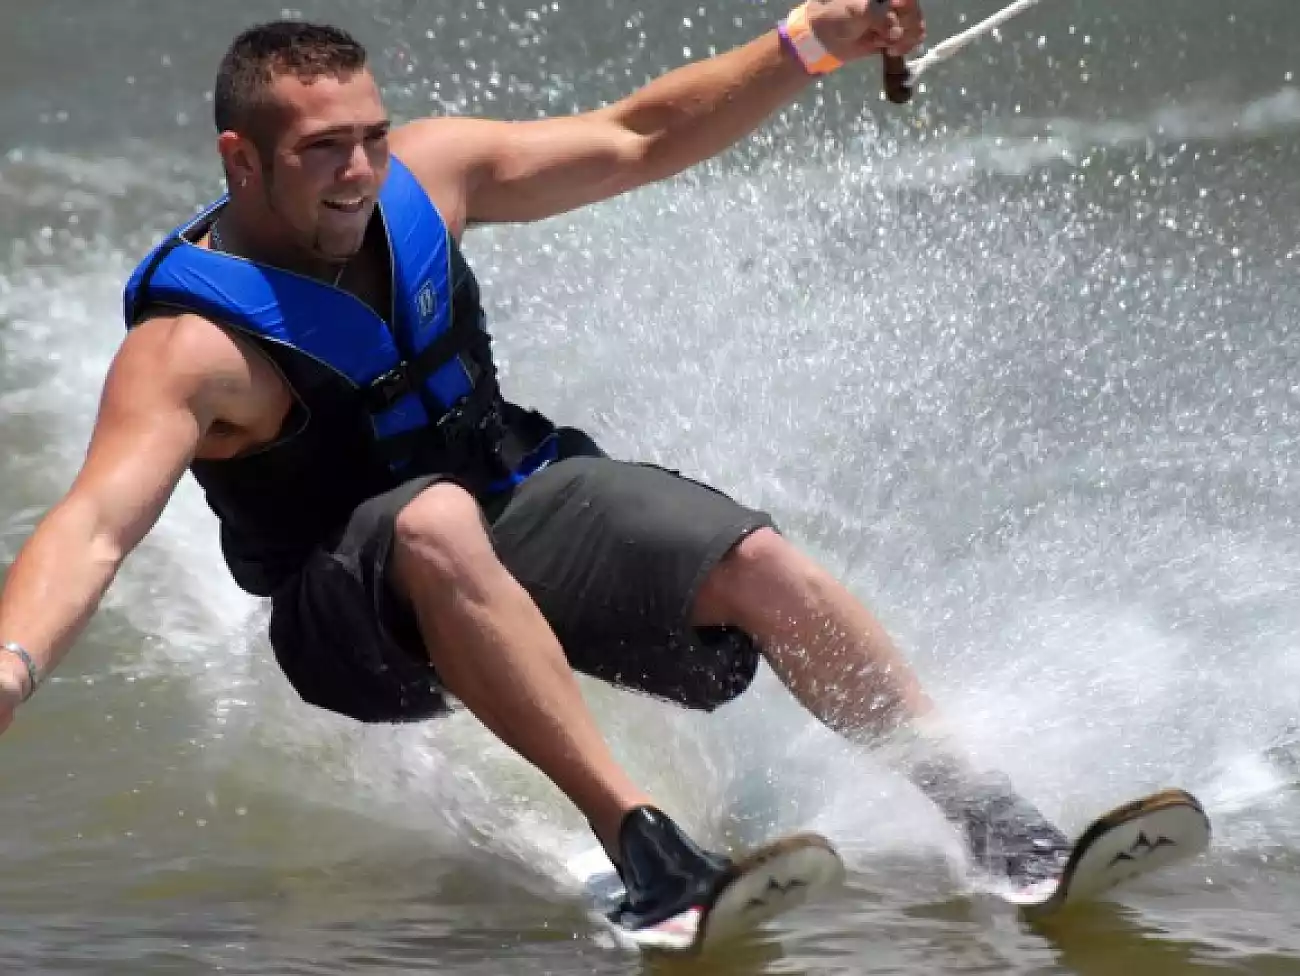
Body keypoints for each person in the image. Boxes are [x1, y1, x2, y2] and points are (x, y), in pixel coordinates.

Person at [0, 3, 1068, 928]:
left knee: (754, 561)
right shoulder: (191, 348)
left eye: (370, 135)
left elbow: (638, 135)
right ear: (244, 159)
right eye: (324, 148)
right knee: (431, 523)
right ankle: (647, 854)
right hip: (347, 615)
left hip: (502, 510)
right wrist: (12, 664)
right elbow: (96, 524)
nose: (360, 170)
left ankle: (988, 815)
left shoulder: (432, 178)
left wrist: (807, 43)